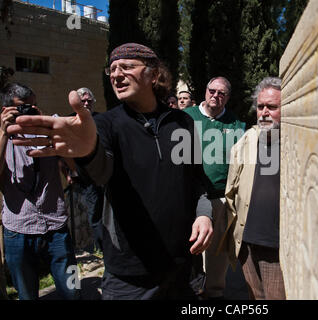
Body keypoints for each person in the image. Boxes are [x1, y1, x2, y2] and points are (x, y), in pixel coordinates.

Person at [7, 43, 213, 300]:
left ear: (154, 74)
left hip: (182, 267)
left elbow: (196, 181)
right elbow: (100, 172)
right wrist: (87, 152)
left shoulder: (183, 122)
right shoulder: (105, 125)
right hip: (129, 276)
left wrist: (204, 215)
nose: (116, 74)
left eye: (126, 67)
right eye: (112, 69)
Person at [0, 82, 80, 300]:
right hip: (17, 229)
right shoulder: (1, 135)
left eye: (33, 106)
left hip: (56, 227)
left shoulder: (50, 127)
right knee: (26, 295)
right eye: (22, 108)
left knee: (72, 290)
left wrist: (51, 131)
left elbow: (74, 167)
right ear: (6, 110)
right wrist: (3, 133)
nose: (29, 112)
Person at [220, 77, 285, 300]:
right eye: (260, 106)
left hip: (277, 247)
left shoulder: (293, 140)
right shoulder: (248, 139)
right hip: (246, 243)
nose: (264, 112)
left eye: (272, 107)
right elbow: (231, 188)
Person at [184, 76, 245, 299]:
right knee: (188, 251)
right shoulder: (186, 117)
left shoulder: (235, 123)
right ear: (205, 91)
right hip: (189, 199)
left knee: (217, 256)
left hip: (220, 200)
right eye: (212, 90)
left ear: (227, 98)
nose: (215, 96)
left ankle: (214, 295)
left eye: (221, 93)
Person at [62, 87, 104, 252]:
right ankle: (102, 248)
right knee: (95, 213)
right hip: (86, 176)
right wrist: (69, 172)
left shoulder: (101, 119)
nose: (86, 103)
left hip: (104, 172)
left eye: (89, 101)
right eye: (83, 100)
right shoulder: (71, 121)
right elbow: (63, 153)